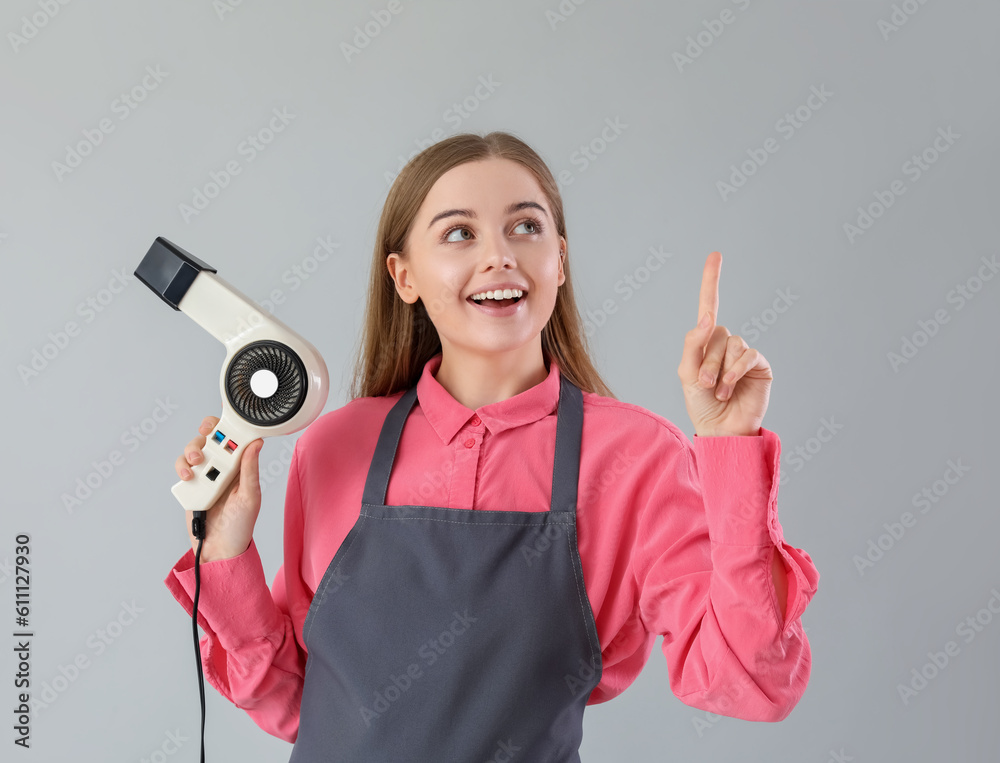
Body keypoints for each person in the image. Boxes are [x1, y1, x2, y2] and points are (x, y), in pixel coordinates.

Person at [164, 131, 820, 760]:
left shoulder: (636, 457)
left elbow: (748, 682)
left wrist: (730, 447)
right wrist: (225, 553)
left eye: (526, 227)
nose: (499, 255)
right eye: (459, 232)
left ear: (559, 260)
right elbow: (300, 705)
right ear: (405, 276)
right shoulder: (337, 444)